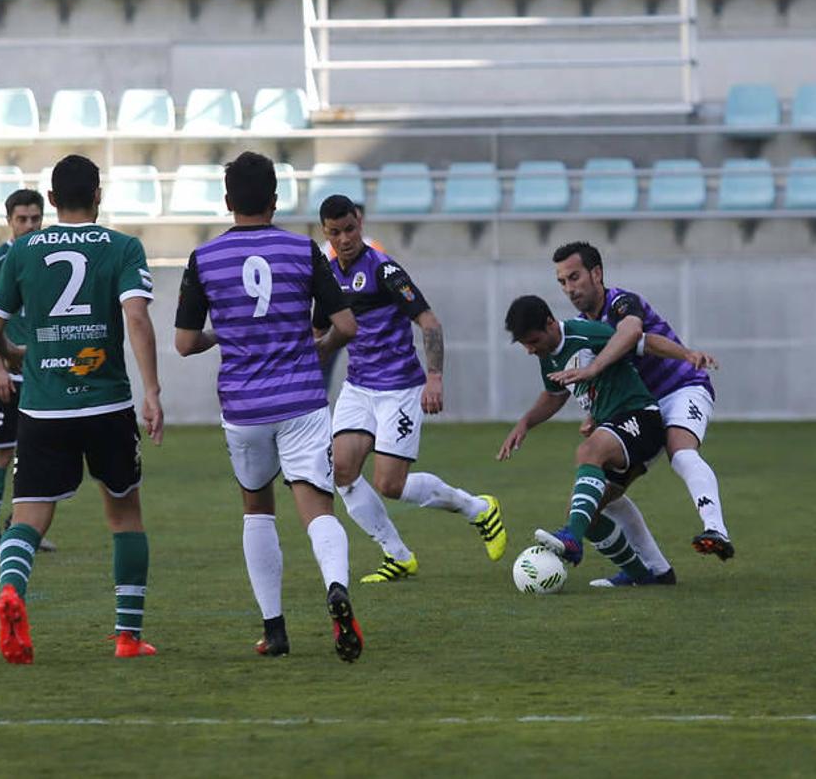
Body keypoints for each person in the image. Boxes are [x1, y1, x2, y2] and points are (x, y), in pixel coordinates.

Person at [174, 152, 364, 662]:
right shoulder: (304, 251)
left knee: (257, 508)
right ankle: (336, 588)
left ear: (228, 201)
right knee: (316, 506)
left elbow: (184, 343)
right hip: (302, 399)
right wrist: (315, 349)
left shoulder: (204, 258)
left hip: (244, 406)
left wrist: (223, 334)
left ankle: (275, 630)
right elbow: (345, 327)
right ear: (276, 200)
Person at [0, 154, 164, 664]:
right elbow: (137, 318)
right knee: (125, 514)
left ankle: (12, 589)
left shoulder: (22, 251)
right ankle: (128, 638)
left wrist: (14, 355)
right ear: (99, 195)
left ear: (53, 201)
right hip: (106, 402)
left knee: (29, 517)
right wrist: (152, 390)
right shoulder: (123, 247)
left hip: (43, 407)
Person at [314, 195, 506, 583]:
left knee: (390, 484)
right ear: (325, 233)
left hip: (400, 388)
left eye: (350, 229)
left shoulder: (385, 271)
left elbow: (429, 322)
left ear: (360, 223)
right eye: (335, 233)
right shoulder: (326, 275)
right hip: (358, 388)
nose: (345, 238)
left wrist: (434, 377)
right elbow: (321, 333)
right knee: (343, 471)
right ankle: (397, 555)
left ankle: (478, 509)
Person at [551, 241, 734, 562]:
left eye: (575, 277)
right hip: (641, 412)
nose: (569, 288)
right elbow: (609, 381)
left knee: (680, 451)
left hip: (681, 387)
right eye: (563, 282)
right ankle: (653, 570)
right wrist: (595, 415)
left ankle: (716, 529)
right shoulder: (587, 330)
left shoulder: (622, 302)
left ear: (597, 273)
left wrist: (688, 355)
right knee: (595, 499)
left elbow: (635, 334)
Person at [498, 295, 671, 585]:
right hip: (617, 429)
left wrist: (688, 355)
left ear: (551, 323)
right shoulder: (547, 354)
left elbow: (643, 341)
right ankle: (645, 576)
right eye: (525, 344)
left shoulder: (587, 332)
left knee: (588, 451)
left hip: (642, 418)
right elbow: (555, 395)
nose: (530, 350)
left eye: (533, 340)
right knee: (583, 512)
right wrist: (526, 422)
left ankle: (571, 539)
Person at [0, 189, 55, 555]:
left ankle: (18, 528)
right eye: (22, 219)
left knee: (35, 452)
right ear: (9, 221)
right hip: (2, 371)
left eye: (35, 218)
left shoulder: (48, 257)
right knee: (1, 452)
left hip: (36, 372)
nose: (29, 225)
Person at [318, 201, 384, 390]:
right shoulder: (325, 250)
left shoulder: (374, 247)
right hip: (335, 317)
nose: (344, 238)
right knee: (325, 361)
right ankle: (320, 405)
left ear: (359, 222)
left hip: (366, 318)